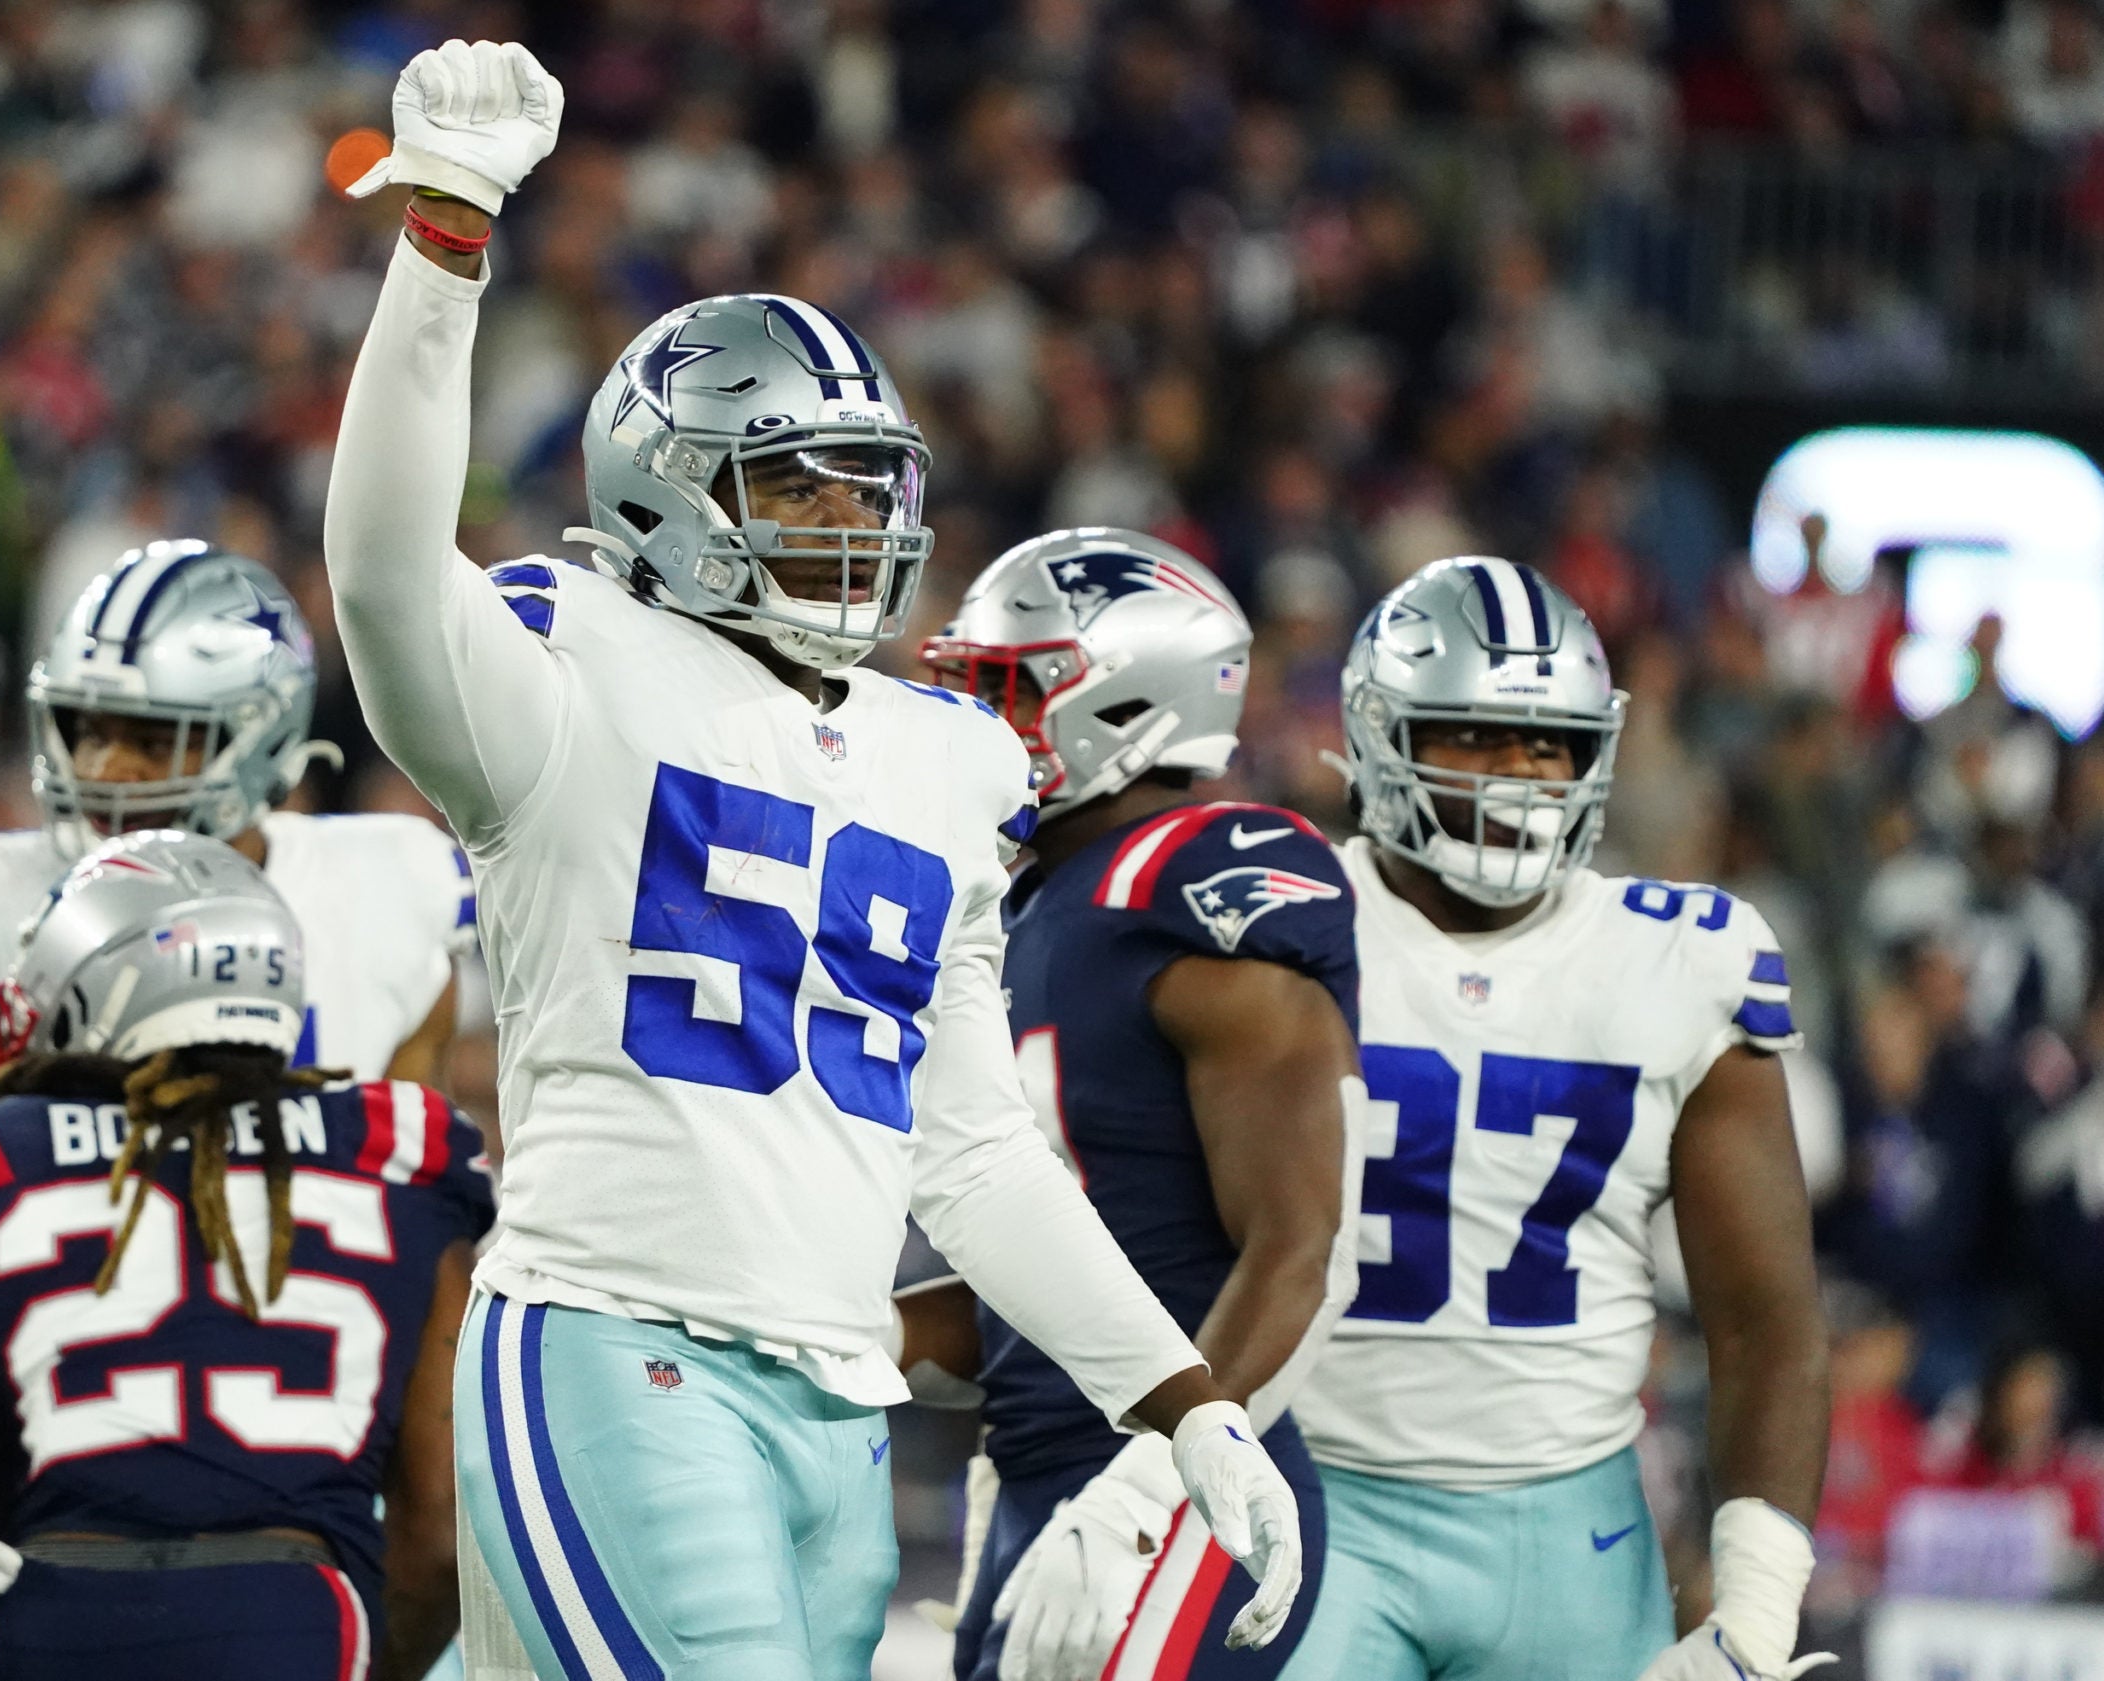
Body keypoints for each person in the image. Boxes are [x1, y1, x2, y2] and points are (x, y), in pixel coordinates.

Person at [324, 39, 1304, 1681]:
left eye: (865, 483)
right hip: (610, 1342)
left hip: (841, 1406)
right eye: (793, 480)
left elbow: (979, 1155)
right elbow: (376, 576)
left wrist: (1182, 1399)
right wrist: (444, 245)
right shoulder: (574, 665)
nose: (847, 521)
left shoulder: (940, 760)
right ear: (663, 482)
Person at [1267, 557, 1832, 1681]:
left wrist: (1757, 1614)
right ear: (1383, 734)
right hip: (1310, 1496)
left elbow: (1765, 1321)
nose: (1518, 772)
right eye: (1472, 735)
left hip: (1568, 1528)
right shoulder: (1274, 923)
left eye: (1548, 742)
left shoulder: (1680, 956)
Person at [0, 830, 492, 1681]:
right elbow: (441, 1535)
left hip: (66, 1609)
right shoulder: (398, 1152)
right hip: (290, 1612)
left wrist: (13, 1495)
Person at [904, 528, 1366, 1681]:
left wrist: (1153, 1485)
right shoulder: (1023, 914)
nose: (972, 723)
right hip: (1031, 1473)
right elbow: (1051, 1271)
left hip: (1173, 1486)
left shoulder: (1186, 886)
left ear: (1119, 710)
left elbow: (1304, 1247)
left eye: (1005, 691)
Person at [0, 540, 474, 1129]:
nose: (102, 769)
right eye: (88, 731)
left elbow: (412, 1181)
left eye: (153, 741)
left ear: (259, 738)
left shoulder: (393, 887)